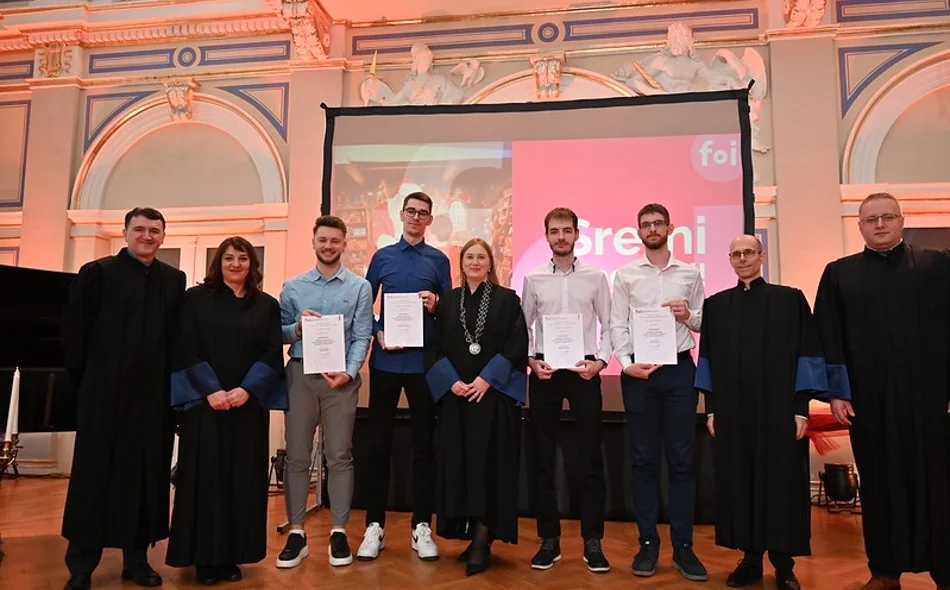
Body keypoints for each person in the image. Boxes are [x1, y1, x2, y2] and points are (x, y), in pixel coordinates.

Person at [813, 193, 950, 590]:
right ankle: (885, 571)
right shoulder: (839, 274)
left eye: (887, 217)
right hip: (868, 401)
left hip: (931, 398)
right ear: (859, 226)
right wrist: (837, 393)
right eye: (871, 219)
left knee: (939, 483)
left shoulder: (938, 265)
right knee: (878, 482)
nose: (880, 225)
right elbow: (828, 336)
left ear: (901, 220)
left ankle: (945, 569)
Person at [60, 207, 186, 590]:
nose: (147, 236)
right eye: (140, 229)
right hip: (104, 399)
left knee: (146, 479)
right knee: (94, 478)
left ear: (163, 236)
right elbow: (75, 336)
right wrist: (90, 387)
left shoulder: (174, 280)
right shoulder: (97, 274)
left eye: (154, 231)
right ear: (126, 232)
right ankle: (81, 567)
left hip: (153, 402)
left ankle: (137, 560)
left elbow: (177, 341)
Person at [695, 234, 828, 590]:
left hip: (779, 411)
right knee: (741, 481)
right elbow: (707, 360)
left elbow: (807, 355)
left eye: (749, 252)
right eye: (736, 254)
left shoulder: (790, 300)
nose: (742, 259)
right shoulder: (716, 306)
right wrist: (712, 410)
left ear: (762, 256)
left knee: (781, 483)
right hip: (733, 411)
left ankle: (784, 565)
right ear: (730, 259)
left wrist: (801, 409)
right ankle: (750, 560)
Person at [165, 237, 287, 585]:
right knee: (205, 481)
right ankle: (204, 559)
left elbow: (271, 352)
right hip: (205, 405)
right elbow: (185, 346)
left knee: (242, 481)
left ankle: (232, 556)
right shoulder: (195, 299)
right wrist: (212, 389)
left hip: (247, 407)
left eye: (243, 258)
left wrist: (247, 389)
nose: (236, 264)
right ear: (218, 263)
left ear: (252, 264)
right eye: (229, 258)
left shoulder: (267, 305)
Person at [608, 203, 707, 582]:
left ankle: (683, 547)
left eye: (658, 223)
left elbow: (703, 321)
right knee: (643, 462)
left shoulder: (690, 273)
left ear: (670, 228)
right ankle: (647, 544)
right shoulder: (626, 275)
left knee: (682, 462)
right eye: (646, 224)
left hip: (679, 370)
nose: (652, 229)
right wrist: (626, 363)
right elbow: (617, 323)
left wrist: (687, 316)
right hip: (640, 374)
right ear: (639, 232)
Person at [425, 238, 528, 577]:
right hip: (457, 399)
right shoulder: (448, 301)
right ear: (462, 262)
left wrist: (487, 379)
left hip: (491, 399)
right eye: (469, 256)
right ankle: (470, 536)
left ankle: (484, 537)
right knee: (461, 466)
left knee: (489, 467)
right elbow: (434, 347)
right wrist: (451, 382)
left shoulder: (507, 300)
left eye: (481, 257)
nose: (474, 262)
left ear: (490, 263)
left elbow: (517, 344)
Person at [275, 215, 373, 569]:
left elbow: (362, 335)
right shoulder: (293, 287)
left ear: (344, 243)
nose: (328, 246)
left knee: (339, 456)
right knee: (297, 457)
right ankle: (297, 533)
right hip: (300, 375)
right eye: (323, 240)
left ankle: (338, 531)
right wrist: (298, 328)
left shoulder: (360, 287)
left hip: (340, 382)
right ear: (313, 242)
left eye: (335, 240)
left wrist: (349, 372)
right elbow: (278, 332)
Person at [357, 192, 451, 562]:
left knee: (424, 446)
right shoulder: (382, 257)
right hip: (385, 362)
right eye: (410, 211)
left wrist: (437, 305)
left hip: (423, 365)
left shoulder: (439, 260)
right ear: (401, 214)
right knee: (378, 445)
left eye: (422, 213)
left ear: (430, 220)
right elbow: (365, 306)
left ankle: (421, 525)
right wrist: (377, 331)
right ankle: (374, 526)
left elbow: (449, 310)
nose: (415, 217)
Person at [521, 207, 611, 573]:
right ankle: (549, 539)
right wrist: (531, 360)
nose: (561, 237)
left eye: (567, 230)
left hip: (583, 371)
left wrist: (600, 362)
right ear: (547, 236)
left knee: (589, 457)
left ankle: (593, 540)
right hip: (545, 372)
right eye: (555, 231)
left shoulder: (595, 278)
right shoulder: (533, 279)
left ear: (576, 235)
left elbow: (611, 323)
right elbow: (524, 327)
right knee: (542, 457)